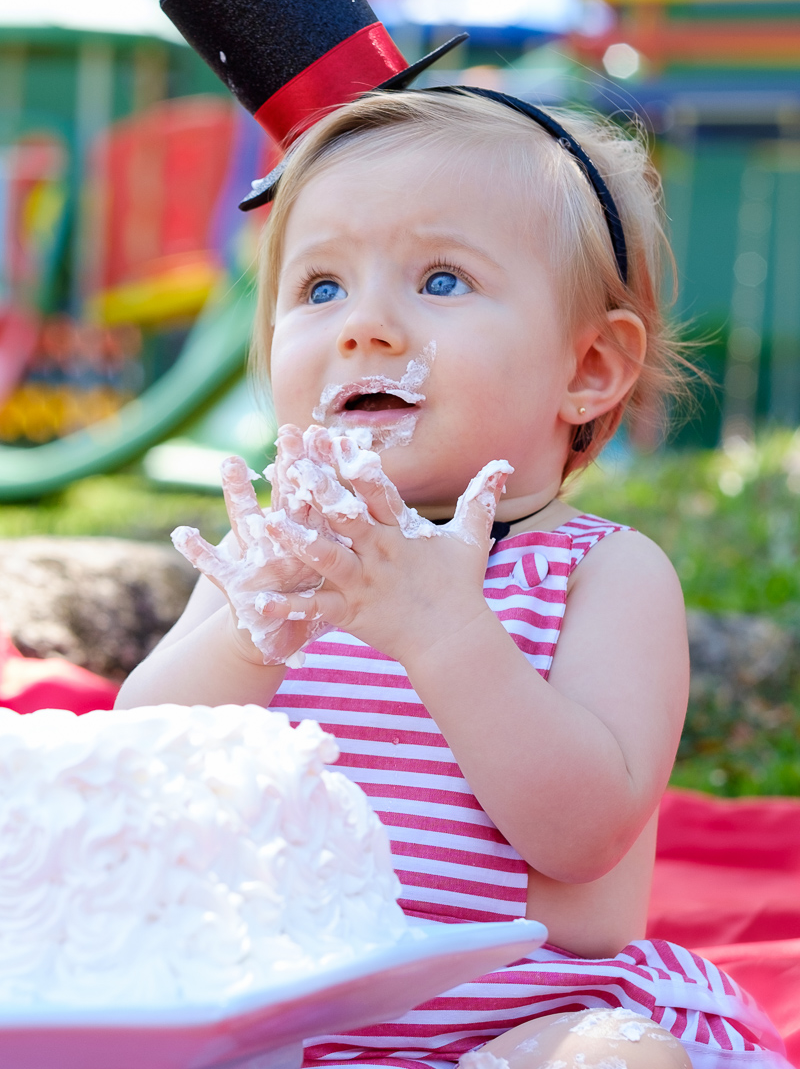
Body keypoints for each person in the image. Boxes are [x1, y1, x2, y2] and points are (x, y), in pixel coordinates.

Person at [117, 89, 786, 1069]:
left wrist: (443, 634)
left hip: (512, 1029)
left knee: (619, 1061)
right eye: (318, 289)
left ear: (588, 366)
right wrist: (242, 635)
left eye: (438, 280)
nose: (364, 328)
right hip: (276, 1028)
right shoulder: (275, 567)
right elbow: (138, 778)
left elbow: (580, 836)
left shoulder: (600, 576)